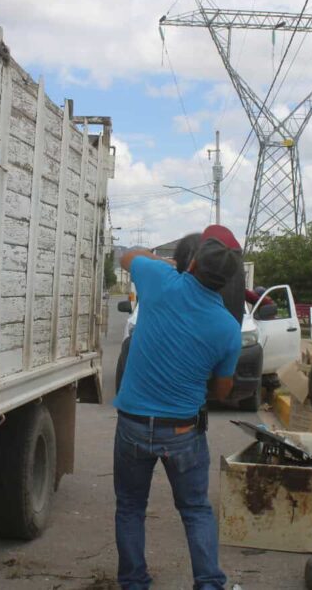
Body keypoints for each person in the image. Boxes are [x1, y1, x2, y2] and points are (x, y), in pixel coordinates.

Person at [114, 225, 243, 590]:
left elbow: (128, 255)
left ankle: (135, 583)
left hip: (133, 423)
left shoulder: (160, 279)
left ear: (194, 262)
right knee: (195, 510)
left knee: (130, 507)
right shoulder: (227, 328)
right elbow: (222, 389)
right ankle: (208, 584)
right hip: (184, 430)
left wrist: (167, 263)